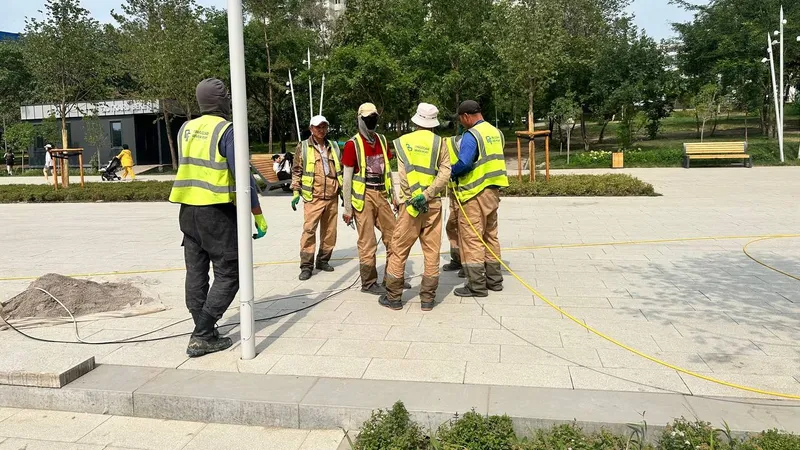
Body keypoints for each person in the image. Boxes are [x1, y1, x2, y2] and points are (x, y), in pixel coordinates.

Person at [169, 78, 268, 358]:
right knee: (231, 273)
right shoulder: (227, 131)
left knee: (196, 273)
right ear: (222, 100)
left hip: (188, 213)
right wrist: (257, 213)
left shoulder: (185, 129)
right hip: (216, 213)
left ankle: (204, 328)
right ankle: (202, 334)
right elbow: (242, 176)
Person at [380, 103, 451, 311]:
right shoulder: (440, 143)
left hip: (410, 206)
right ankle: (427, 299)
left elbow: (402, 176)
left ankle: (393, 298)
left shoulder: (402, 142)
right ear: (434, 123)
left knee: (398, 250)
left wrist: (412, 198)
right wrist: (427, 195)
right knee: (432, 252)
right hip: (433, 205)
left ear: (416, 121)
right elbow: (445, 174)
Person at [341, 103, 405, 295]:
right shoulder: (352, 145)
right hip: (364, 197)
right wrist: (347, 208)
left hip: (382, 195)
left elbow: (388, 171)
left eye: (374, 117)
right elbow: (346, 179)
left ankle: (391, 277)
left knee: (394, 237)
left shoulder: (383, 140)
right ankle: (368, 283)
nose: (372, 121)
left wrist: (395, 196)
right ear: (360, 120)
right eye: (368, 118)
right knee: (367, 242)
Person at [451, 100, 509, 298]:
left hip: (474, 194)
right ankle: (495, 280)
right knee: (491, 236)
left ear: (466, 116)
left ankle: (476, 285)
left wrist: (451, 172)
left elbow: (465, 163)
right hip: (493, 192)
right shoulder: (496, 133)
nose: (462, 124)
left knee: (472, 239)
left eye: (461, 120)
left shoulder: (471, 135)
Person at [290, 115, 342, 281]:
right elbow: (297, 170)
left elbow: (340, 169)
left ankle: (323, 260)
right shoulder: (303, 146)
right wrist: (295, 191)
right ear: (311, 128)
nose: (321, 130)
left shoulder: (333, 146)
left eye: (324, 127)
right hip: (313, 196)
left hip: (332, 195)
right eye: (318, 127)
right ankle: (306, 266)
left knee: (330, 232)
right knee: (309, 230)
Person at [442, 135, 464, 277]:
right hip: (455, 191)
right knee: (452, 226)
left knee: (465, 230)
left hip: (466, 192)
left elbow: (465, 164)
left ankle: (469, 265)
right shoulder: (446, 142)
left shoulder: (469, 140)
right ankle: (458, 259)